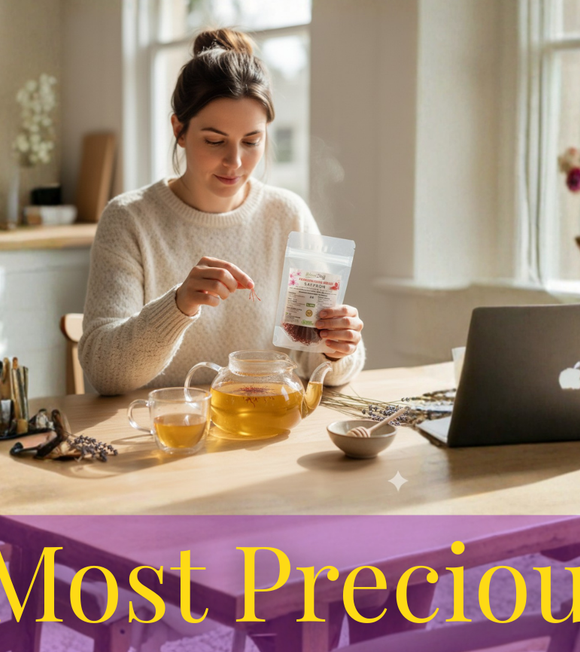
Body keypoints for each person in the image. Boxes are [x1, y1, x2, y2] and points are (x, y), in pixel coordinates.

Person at [79, 27, 366, 395]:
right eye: (215, 141)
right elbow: (105, 374)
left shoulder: (287, 215)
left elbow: (318, 365)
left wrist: (336, 349)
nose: (235, 161)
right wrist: (178, 305)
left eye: (252, 141)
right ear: (179, 130)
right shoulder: (130, 219)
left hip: (263, 429)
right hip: (166, 433)